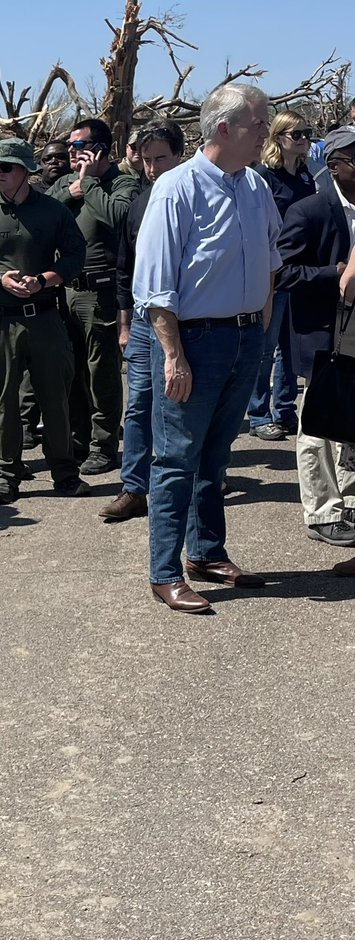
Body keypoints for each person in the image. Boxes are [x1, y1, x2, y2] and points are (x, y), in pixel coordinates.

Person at [133, 82, 279, 613]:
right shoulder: (176, 189)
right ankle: (165, 572)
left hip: (244, 336)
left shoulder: (255, 185)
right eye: (259, 124)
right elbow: (155, 288)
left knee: (216, 455)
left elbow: (270, 260)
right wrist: (173, 356)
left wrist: (259, 329)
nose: (266, 133)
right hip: (193, 341)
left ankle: (207, 553)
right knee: (176, 460)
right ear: (224, 127)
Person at [0, 137, 89, 505]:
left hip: (44, 319)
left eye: (6, 167)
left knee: (55, 398)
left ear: (25, 171)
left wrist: (45, 279)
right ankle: (5, 476)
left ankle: (65, 473)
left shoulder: (53, 211)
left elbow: (76, 254)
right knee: (2, 401)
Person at [100, 121, 186, 524]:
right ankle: (134, 488)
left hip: (185, 319)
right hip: (142, 321)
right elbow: (124, 268)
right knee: (138, 406)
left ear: (180, 155)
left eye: (161, 159)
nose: (152, 168)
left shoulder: (194, 199)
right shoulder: (139, 204)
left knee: (181, 405)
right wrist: (124, 325)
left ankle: (194, 479)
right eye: (147, 160)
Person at [275, 125, 355, 550]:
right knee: (318, 423)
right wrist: (333, 273)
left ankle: (351, 500)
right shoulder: (308, 211)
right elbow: (282, 272)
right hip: (323, 328)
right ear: (336, 166)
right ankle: (323, 510)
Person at [50, 117, 139, 474]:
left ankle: (104, 446)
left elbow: (119, 217)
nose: (72, 153)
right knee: (70, 373)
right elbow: (40, 213)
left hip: (101, 293)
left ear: (100, 149)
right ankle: (79, 440)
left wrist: (88, 186)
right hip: (65, 292)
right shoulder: (65, 183)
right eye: (69, 146)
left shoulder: (122, 182)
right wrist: (69, 192)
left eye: (79, 146)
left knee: (101, 373)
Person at [247, 110, 317, 441]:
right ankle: (258, 413)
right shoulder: (263, 176)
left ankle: (285, 409)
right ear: (278, 138)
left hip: (300, 270)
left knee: (292, 347)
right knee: (266, 345)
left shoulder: (305, 176)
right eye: (296, 134)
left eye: (307, 133)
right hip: (272, 270)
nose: (303, 140)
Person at [20, 138, 73, 445]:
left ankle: (77, 423)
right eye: (49, 158)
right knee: (32, 363)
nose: (55, 162)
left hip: (71, 284)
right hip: (37, 290)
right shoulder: (33, 194)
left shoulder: (83, 186)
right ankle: (26, 422)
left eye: (61, 157)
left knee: (69, 360)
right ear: (39, 164)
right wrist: (67, 193)